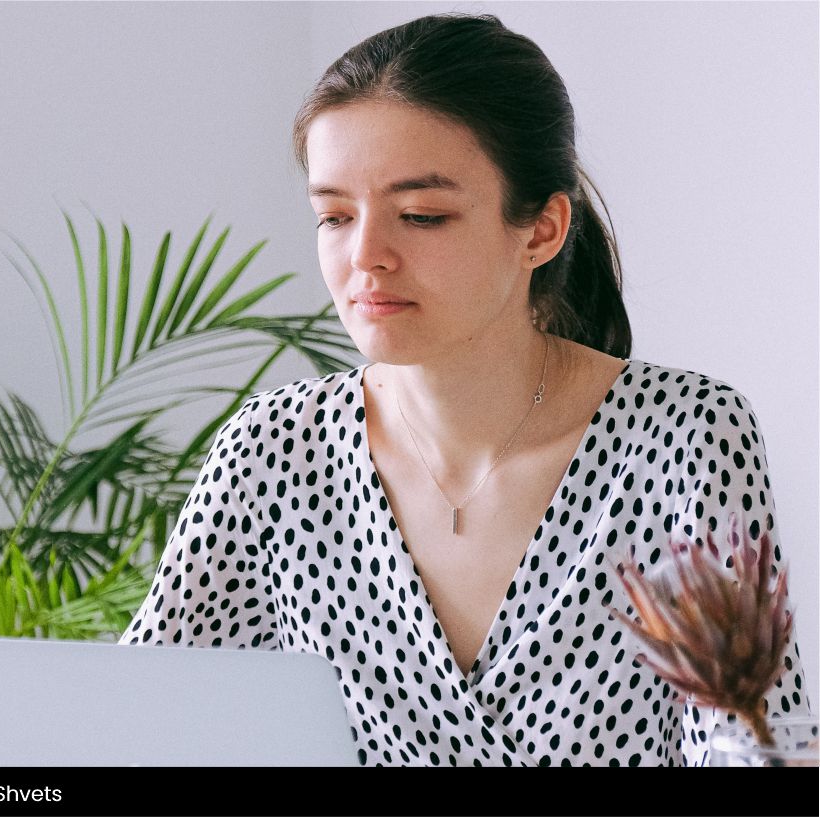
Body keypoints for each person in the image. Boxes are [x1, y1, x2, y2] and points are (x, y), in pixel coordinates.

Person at [119, 13, 811, 766]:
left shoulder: (684, 438)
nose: (366, 257)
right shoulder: (274, 451)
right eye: (333, 216)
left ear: (542, 230)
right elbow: (130, 723)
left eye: (422, 215)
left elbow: (754, 746)